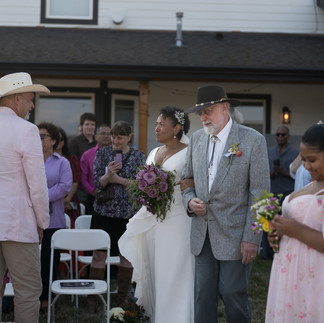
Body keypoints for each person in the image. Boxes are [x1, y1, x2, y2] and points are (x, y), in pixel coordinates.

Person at [182, 85, 270, 323]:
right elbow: (186, 179)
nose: (202, 118)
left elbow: (261, 195)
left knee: (233, 294)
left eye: (207, 111)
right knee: (203, 296)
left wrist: (252, 238)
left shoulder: (253, 140)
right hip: (202, 233)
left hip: (236, 234)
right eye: (199, 113)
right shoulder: (197, 139)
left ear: (224, 108)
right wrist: (190, 201)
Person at [119, 107, 194, 323]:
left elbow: (198, 182)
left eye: (162, 124)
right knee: (154, 271)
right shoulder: (153, 152)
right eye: (156, 124)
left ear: (177, 128)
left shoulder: (189, 152)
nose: (157, 128)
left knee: (174, 273)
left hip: (178, 221)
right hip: (153, 220)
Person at [0, 72, 50, 322]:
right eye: (30, 100)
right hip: (18, 224)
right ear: (16, 99)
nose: (32, 105)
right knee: (28, 291)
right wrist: (42, 221)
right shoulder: (27, 130)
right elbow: (38, 185)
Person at [266, 124, 324, 322]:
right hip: (289, 275)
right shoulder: (312, 184)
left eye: (312, 160)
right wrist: (279, 233)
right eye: (303, 159)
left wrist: (294, 229)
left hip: (315, 278)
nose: (306, 166)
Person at [87, 121, 145, 311]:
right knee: (98, 254)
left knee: (125, 256)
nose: (115, 140)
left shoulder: (138, 156)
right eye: (113, 136)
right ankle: (93, 299)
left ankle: (122, 300)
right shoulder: (102, 153)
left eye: (120, 136)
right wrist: (107, 176)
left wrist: (117, 179)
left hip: (127, 213)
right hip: (103, 211)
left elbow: (140, 185)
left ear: (129, 137)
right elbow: (97, 183)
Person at [37, 122, 73, 312]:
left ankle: (46, 298)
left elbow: (65, 186)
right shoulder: (28, 158)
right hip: (29, 218)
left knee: (49, 261)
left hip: (53, 220)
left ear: (53, 140)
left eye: (42, 136)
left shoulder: (62, 162)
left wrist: (40, 197)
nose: (39, 139)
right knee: (30, 260)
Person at [263, 126, 299, 259]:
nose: (280, 137)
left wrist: (283, 172)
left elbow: (297, 174)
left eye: (283, 134)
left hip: (288, 194)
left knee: (284, 225)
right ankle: (267, 254)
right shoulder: (269, 151)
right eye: (278, 134)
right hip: (272, 193)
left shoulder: (295, 152)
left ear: (288, 136)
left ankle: (284, 252)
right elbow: (262, 172)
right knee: (269, 224)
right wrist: (272, 173)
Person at [80, 124, 111, 215]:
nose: (106, 136)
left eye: (108, 134)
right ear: (95, 136)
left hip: (114, 198)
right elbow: (83, 178)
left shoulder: (117, 154)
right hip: (93, 196)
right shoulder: (87, 155)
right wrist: (92, 191)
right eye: (102, 133)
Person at [55, 127, 82, 228]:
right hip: (52, 199)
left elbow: (76, 181)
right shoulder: (45, 159)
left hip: (70, 198)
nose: (58, 142)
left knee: (71, 227)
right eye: (56, 138)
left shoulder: (71, 159)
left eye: (61, 139)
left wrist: (68, 198)